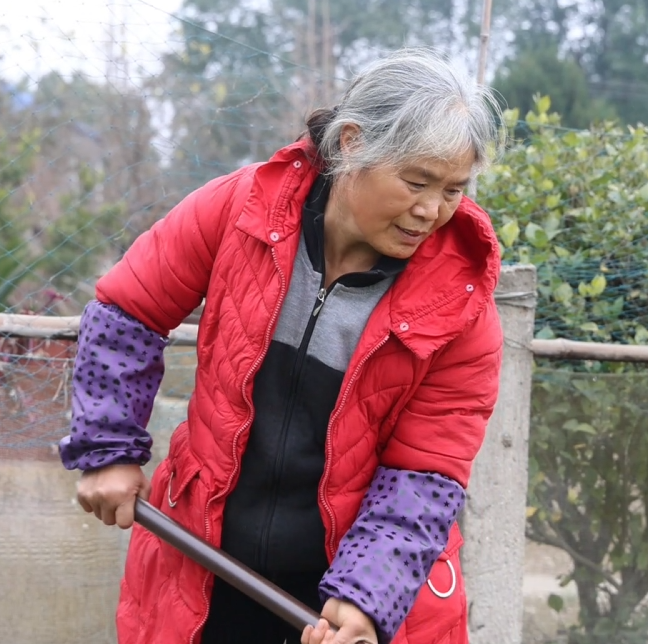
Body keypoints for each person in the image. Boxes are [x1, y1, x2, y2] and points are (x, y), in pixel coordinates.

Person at [58, 48, 507, 644]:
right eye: (416, 182)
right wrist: (108, 449)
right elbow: (127, 313)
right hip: (201, 565)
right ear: (351, 142)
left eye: (453, 190)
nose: (431, 211)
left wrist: (368, 596)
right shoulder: (241, 209)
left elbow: (425, 473)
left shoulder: (461, 306)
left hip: (338, 601)